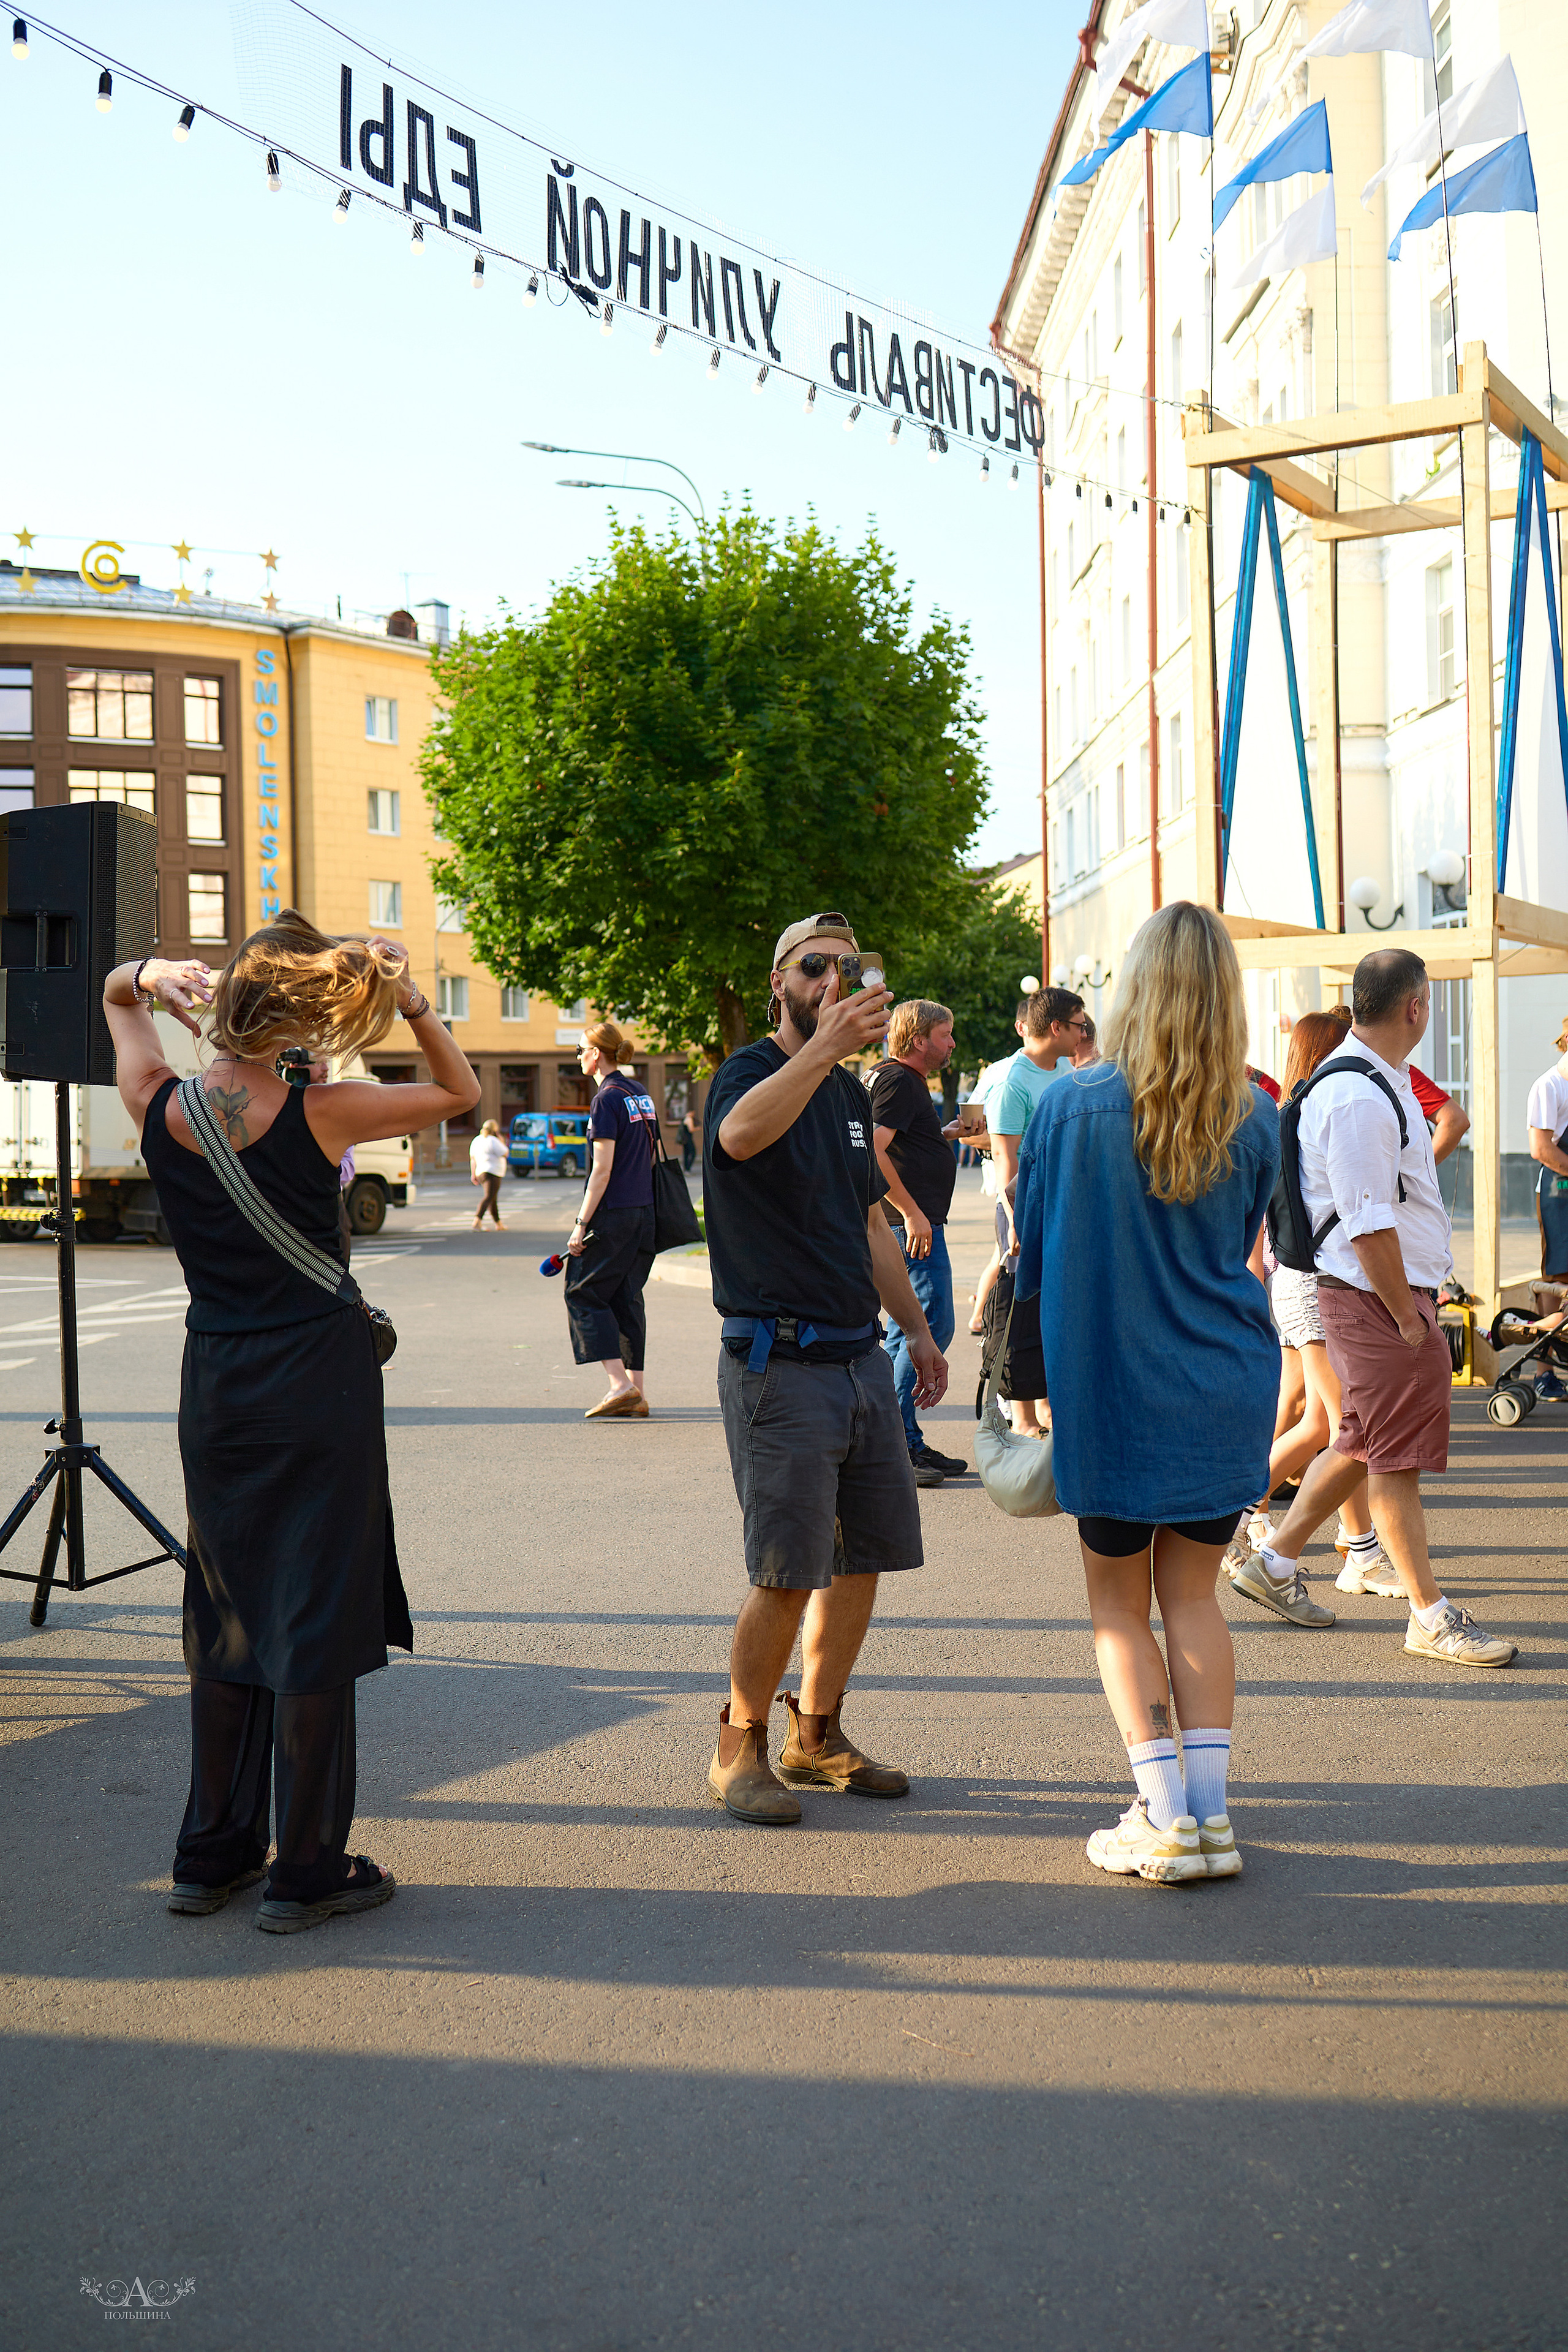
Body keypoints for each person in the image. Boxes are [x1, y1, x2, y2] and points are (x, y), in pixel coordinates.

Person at [102, 911, 480, 1931]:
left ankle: (210, 1853)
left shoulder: (159, 1102)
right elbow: (460, 1094)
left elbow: (114, 993)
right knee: (314, 1609)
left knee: (225, 1604)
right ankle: (307, 1865)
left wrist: (152, 975)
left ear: (220, 1005)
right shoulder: (325, 1112)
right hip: (317, 1377)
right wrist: (408, 1000)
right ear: (299, 1017)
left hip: (217, 1379)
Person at [1013, 903, 1280, 1885]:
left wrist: (1028, 1389)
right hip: (1224, 1382)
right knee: (1195, 1599)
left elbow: (1033, 1257)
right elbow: (1255, 1235)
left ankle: (1163, 1816)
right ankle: (1208, 1820)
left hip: (1113, 1388)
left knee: (1119, 1610)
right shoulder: (1256, 1112)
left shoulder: (1071, 1105)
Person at [701, 912, 948, 1826]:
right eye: (815, 967)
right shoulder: (751, 1073)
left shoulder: (851, 1100)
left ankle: (817, 1734)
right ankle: (740, 1746)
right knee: (787, 1568)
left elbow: (867, 1222)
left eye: (849, 968)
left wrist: (916, 1332)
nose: (832, 981)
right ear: (779, 981)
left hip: (854, 1359)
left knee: (860, 1562)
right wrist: (825, 1051)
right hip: (779, 1358)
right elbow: (737, 1138)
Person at [1238, 949, 1517, 1670]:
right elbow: (1366, 1221)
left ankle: (1270, 1561)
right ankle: (1429, 1615)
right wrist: (1404, 1312)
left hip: (1369, 1296)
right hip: (1373, 1299)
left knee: (1358, 1439)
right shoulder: (1361, 1093)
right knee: (1394, 1460)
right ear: (1415, 1007)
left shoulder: (1368, 1079)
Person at [1227, 1008, 1399, 1607]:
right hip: (1312, 1285)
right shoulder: (1314, 1115)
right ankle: (1353, 1551)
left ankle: (1350, 1547)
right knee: (1341, 1425)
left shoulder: (1289, 1116)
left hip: (1295, 1283)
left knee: (1320, 1421)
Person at [869, 998, 965, 1487]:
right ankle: (894, 1443)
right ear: (920, 1038)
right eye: (945, 1035)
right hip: (909, 1227)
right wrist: (911, 1213)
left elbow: (895, 1143)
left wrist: (941, 1136)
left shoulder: (896, 1079)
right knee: (926, 1326)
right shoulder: (899, 1080)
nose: (951, 1043)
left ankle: (899, 1436)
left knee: (905, 1331)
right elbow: (871, 1148)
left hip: (907, 1224)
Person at [986, 985, 1087, 1436]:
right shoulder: (1015, 1082)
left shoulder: (1066, 1068)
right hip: (1023, 1211)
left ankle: (1046, 1410)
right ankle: (1022, 1417)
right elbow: (1006, 1161)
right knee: (1022, 1313)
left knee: (1055, 1309)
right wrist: (1015, 1225)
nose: (1084, 1034)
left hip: (1060, 1206)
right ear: (1057, 1027)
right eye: (1080, 1025)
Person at [565, 1022, 658, 1419]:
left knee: (583, 1292)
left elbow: (601, 1170)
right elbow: (651, 1156)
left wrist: (581, 1224)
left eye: (581, 1049)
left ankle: (619, 1386)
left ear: (597, 1053)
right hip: (645, 1212)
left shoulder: (605, 1099)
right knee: (626, 1296)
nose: (579, 1056)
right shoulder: (641, 1094)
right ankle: (636, 1392)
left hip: (614, 1214)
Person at [1527, 1021, 1568, 1396]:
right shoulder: (1549, 1085)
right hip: (1559, 1193)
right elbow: (1541, 1149)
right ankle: (1543, 1373)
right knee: (1558, 1281)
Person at [469, 1118, 507, 1229]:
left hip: (481, 1172)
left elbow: (473, 1159)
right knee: (489, 1197)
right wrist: (502, 1141)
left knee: (492, 1198)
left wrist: (473, 1174)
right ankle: (477, 1220)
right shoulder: (493, 1140)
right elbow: (505, 1153)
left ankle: (498, 1223)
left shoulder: (477, 1140)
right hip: (493, 1172)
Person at [680, 1107, 698, 1174]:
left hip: (684, 1139)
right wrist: (697, 1129)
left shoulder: (684, 1118)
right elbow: (691, 1129)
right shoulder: (689, 1119)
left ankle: (686, 1169)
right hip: (688, 1139)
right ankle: (688, 1168)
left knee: (686, 1154)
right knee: (693, 1153)